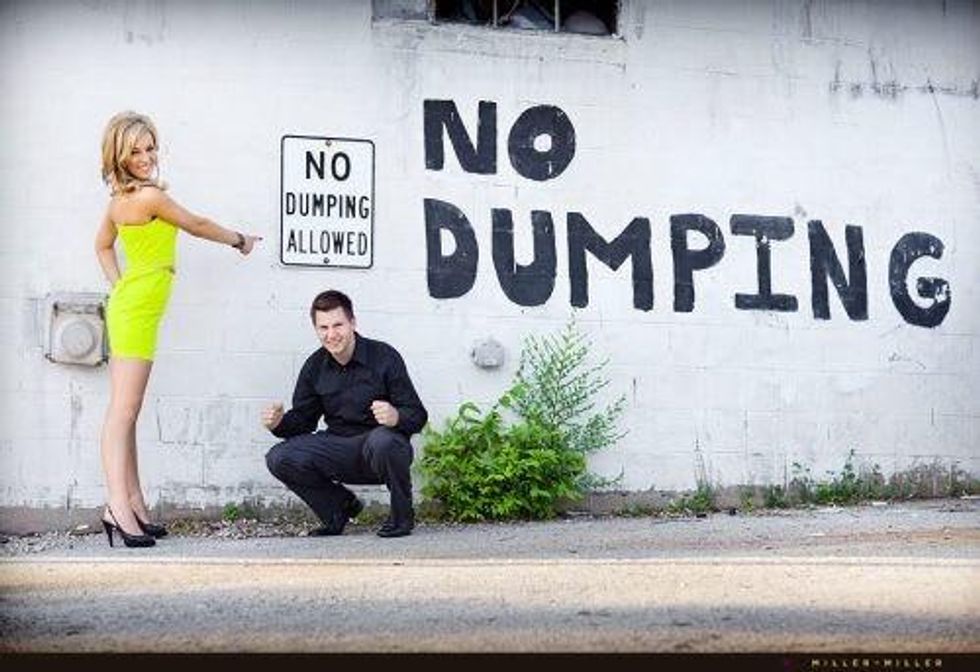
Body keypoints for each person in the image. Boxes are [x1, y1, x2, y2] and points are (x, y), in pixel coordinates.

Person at [95, 111, 261, 547]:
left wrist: (119, 288)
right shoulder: (148, 198)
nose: (146, 157)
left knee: (126, 412)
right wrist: (239, 239)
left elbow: (102, 246)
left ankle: (134, 503)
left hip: (134, 307)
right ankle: (116, 505)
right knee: (122, 413)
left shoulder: (119, 201)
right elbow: (197, 224)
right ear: (120, 155)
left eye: (150, 147)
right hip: (135, 311)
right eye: (135, 150)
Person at [262, 290, 428, 538]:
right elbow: (303, 423)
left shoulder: (384, 357)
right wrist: (278, 423)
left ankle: (402, 516)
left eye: (338, 325)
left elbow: (417, 415)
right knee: (280, 457)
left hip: (380, 448)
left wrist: (396, 416)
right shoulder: (314, 366)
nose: (331, 334)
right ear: (316, 329)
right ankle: (337, 508)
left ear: (352, 323)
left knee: (384, 440)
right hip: (338, 448)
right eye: (323, 327)